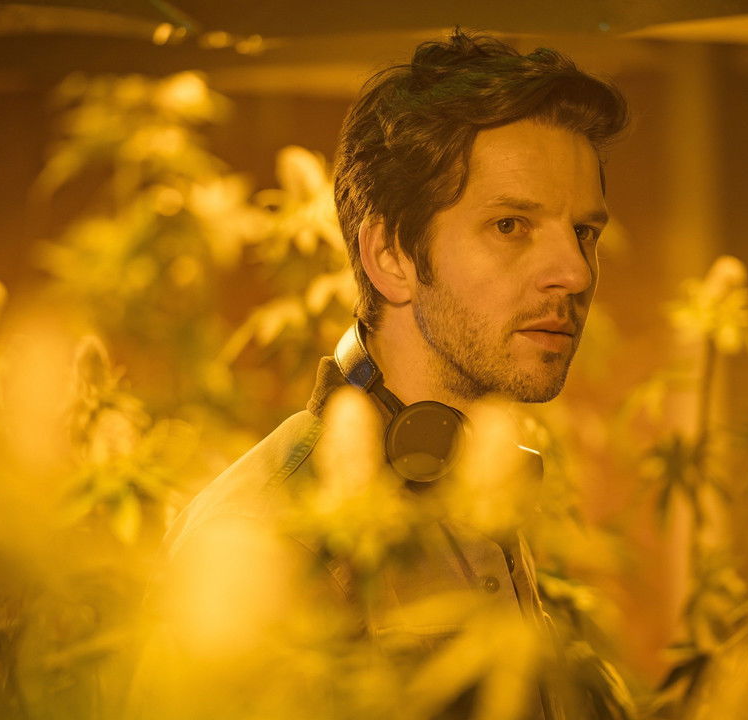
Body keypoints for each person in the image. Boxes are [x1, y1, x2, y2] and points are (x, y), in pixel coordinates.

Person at [156, 29, 627, 719]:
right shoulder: (265, 534)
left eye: (584, 232)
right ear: (390, 256)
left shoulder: (469, 483)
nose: (576, 273)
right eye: (511, 226)